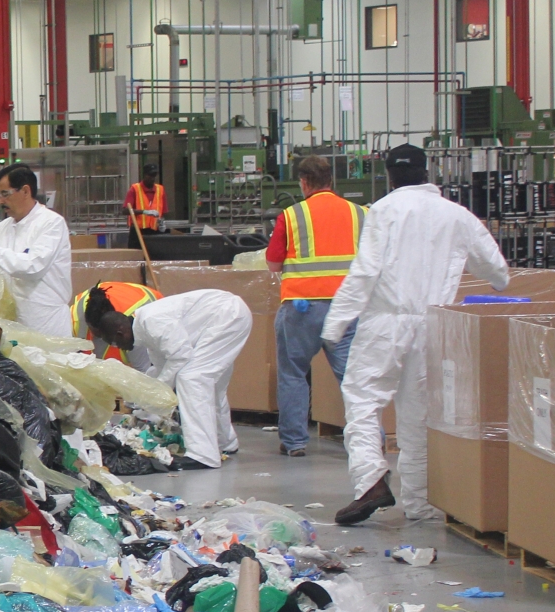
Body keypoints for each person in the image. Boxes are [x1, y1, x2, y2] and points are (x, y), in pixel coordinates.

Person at [325, 144, 509, 524]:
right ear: (428, 172)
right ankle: (422, 503)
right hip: (432, 326)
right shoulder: (458, 216)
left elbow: (365, 272)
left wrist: (335, 322)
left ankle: (370, 480)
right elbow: (499, 273)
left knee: (362, 400)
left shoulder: (385, 211)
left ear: (390, 175)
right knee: (417, 416)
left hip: (385, 322)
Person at [85, 285, 251, 470]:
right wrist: (143, 394)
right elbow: (162, 367)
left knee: (192, 379)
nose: (121, 348)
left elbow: (181, 357)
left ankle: (203, 455)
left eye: (116, 343)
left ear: (120, 333)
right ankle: (225, 442)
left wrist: (157, 392)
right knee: (212, 386)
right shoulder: (146, 332)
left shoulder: (151, 322)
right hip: (225, 316)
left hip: (227, 316)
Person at [266, 156, 366, 458]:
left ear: (304, 182)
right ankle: (365, 441)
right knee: (353, 378)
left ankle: (295, 442)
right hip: (348, 308)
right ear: (331, 181)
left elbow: (273, 263)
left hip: (302, 308)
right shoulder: (360, 214)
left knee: (293, 373)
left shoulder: (292, 215)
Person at [0, 165, 73, 339]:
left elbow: (32, 267)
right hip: (11, 324)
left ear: (25, 191)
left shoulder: (51, 223)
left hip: (45, 322)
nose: (0, 202)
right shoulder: (2, 229)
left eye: (5, 194)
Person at [70, 280, 160, 365]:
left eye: (102, 335)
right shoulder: (73, 318)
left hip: (157, 316)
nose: (98, 338)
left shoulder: (132, 328)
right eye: (96, 334)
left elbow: (144, 371)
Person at [124, 163, 166, 245]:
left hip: (155, 231)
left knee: (155, 257)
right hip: (138, 231)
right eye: (150, 175)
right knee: (136, 257)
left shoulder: (160, 190)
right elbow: (125, 211)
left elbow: (163, 211)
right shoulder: (134, 189)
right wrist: (144, 212)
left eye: (154, 176)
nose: (152, 178)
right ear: (144, 175)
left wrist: (162, 223)